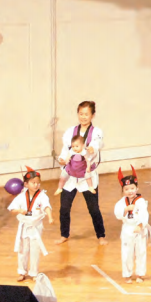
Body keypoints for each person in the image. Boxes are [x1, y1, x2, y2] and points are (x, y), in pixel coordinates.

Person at [56, 100, 106, 245]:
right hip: (71, 175)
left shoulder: (96, 132)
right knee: (64, 207)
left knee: (93, 208)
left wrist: (92, 148)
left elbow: (97, 144)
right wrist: (61, 159)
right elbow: (65, 150)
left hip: (87, 176)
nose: (83, 117)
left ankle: (101, 235)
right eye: (81, 114)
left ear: (92, 115)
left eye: (86, 114)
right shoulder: (70, 132)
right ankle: (64, 234)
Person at [7, 168, 53, 281]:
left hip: (36, 226)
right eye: (33, 182)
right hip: (24, 226)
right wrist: (19, 210)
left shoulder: (42, 196)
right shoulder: (21, 196)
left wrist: (50, 217)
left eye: (38, 183)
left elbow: (46, 206)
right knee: (23, 249)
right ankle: (21, 271)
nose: (36, 185)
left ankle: (34, 273)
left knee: (35, 250)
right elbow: (12, 209)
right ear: (26, 184)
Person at [113, 167, 151, 283]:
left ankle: (140, 274)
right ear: (123, 190)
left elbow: (144, 214)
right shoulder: (121, 202)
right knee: (127, 253)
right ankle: (127, 274)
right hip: (127, 229)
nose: (130, 191)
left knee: (141, 252)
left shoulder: (141, 201)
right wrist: (126, 209)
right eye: (126, 189)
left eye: (132, 188)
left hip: (139, 229)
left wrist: (140, 225)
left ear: (137, 188)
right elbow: (117, 214)